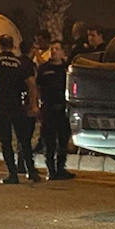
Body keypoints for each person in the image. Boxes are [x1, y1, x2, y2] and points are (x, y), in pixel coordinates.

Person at [0, 34, 41, 184]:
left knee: (6, 141)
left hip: (2, 106)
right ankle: (31, 171)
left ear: (0, 45)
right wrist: (33, 104)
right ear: (13, 45)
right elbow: (31, 85)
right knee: (24, 140)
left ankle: (12, 174)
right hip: (18, 105)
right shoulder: (20, 63)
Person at [37, 40, 75, 180]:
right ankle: (51, 170)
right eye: (52, 48)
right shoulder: (44, 69)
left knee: (63, 140)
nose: (53, 51)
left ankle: (61, 168)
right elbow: (37, 87)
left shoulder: (67, 69)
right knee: (49, 141)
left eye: (57, 49)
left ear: (62, 52)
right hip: (48, 108)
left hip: (64, 109)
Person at [16, 40, 39, 174]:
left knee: (20, 134)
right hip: (26, 102)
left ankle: (20, 163)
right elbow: (33, 85)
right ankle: (27, 165)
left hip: (15, 102)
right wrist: (34, 104)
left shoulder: (16, 62)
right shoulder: (29, 65)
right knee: (27, 135)